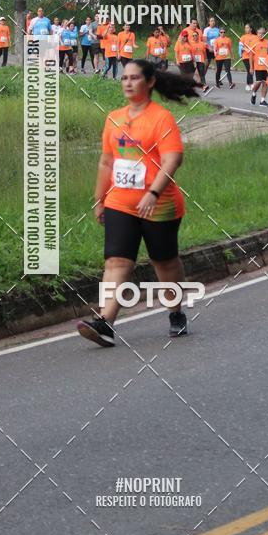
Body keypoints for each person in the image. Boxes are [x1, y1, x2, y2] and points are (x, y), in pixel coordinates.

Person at [76, 60, 200, 346]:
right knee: (117, 260)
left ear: (150, 82)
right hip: (120, 201)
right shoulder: (114, 118)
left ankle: (176, 312)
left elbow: (173, 159)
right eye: (124, 78)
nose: (128, 83)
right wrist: (100, 199)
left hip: (160, 204)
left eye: (134, 78)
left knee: (164, 263)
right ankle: (105, 321)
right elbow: (107, 161)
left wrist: (153, 193)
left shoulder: (161, 118)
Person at [250, 28, 268, 106]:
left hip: (266, 66)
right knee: (259, 81)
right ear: (257, 34)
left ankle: (262, 100)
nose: (261, 35)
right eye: (259, 33)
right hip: (258, 66)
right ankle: (254, 93)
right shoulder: (254, 43)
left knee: (265, 83)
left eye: (263, 33)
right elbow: (250, 56)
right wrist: (251, 67)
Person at [239, 24, 257, 90]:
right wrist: (244, 49)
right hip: (245, 56)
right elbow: (240, 46)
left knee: (250, 70)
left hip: (253, 56)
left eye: (247, 28)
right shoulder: (243, 37)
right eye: (245, 28)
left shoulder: (256, 37)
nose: (246, 29)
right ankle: (252, 84)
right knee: (249, 69)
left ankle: (247, 84)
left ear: (251, 29)